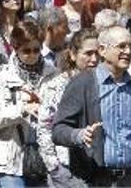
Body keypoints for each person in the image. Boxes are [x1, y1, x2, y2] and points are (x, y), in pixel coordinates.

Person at [52, 25, 131, 186]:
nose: (128, 51)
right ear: (102, 50)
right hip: (96, 180)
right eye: (121, 46)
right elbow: (58, 130)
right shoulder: (83, 84)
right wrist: (79, 135)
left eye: (130, 46)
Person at [0, 19, 56, 187]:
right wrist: (23, 109)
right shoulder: (4, 77)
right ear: (15, 48)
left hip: (45, 156)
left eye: (36, 50)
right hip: (12, 158)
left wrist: (46, 109)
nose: (33, 55)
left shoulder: (53, 74)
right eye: (26, 51)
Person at [37, 28, 100, 187]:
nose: (94, 59)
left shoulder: (103, 84)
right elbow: (45, 128)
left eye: (98, 53)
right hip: (66, 169)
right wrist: (55, 168)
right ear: (73, 54)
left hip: (97, 168)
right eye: (88, 53)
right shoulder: (57, 86)